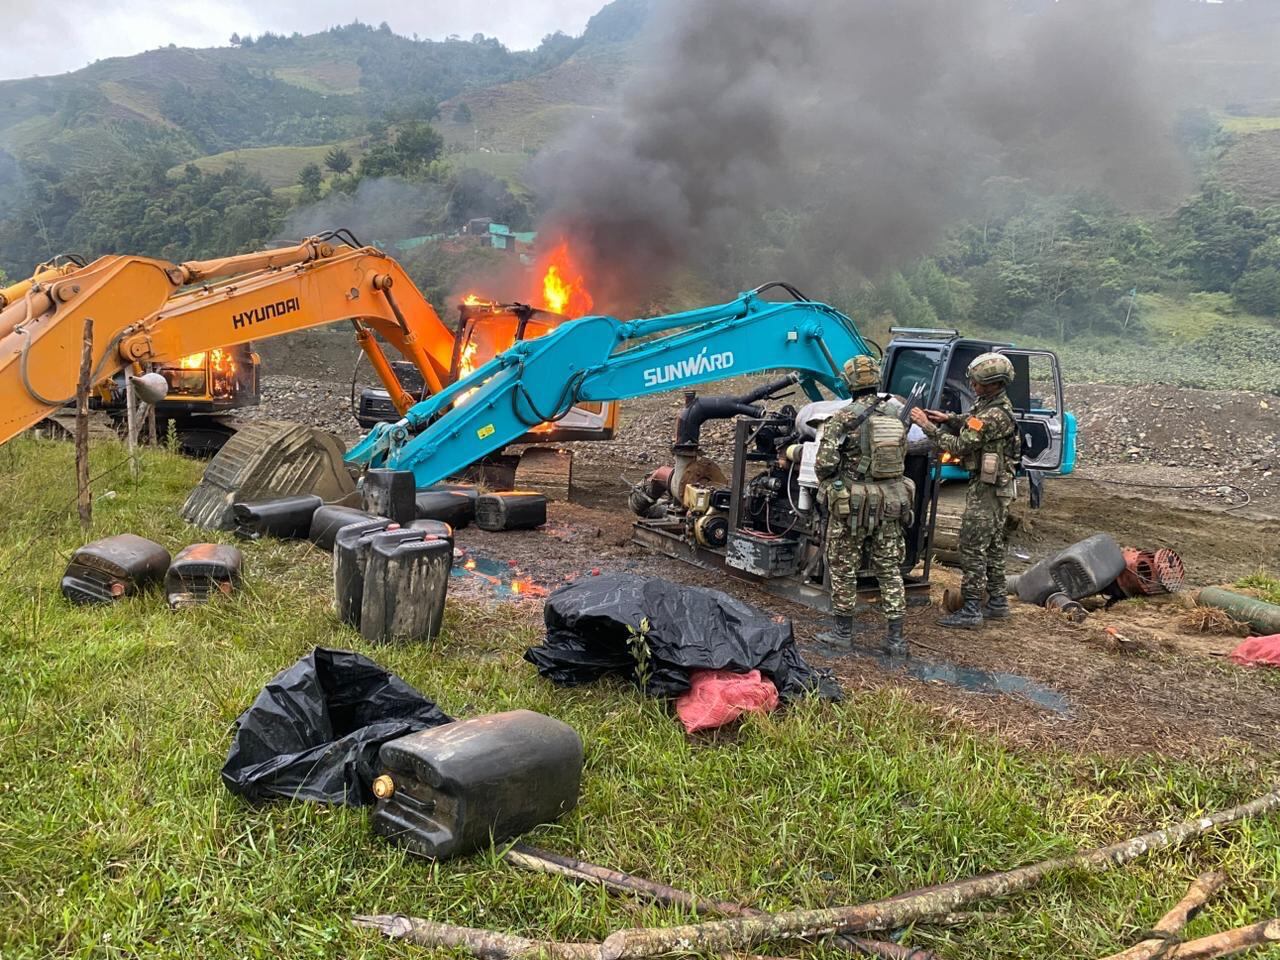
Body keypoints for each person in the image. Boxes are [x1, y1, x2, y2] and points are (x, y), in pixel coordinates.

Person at [909, 352, 1021, 629]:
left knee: (972, 548)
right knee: (993, 548)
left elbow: (960, 446)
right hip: (993, 487)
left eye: (978, 383)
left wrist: (927, 427)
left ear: (994, 384)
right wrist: (948, 418)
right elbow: (970, 421)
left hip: (988, 490)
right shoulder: (989, 404)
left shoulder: (995, 414)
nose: (972, 386)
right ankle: (997, 603)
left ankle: (971, 609)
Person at [813, 355, 912, 656]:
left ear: (849, 383)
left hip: (852, 507)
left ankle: (843, 634)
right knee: (889, 569)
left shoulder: (843, 418)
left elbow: (825, 464)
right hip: (890, 504)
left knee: (844, 567)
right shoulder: (897, 414)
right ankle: (895, 639)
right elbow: (902, 454)